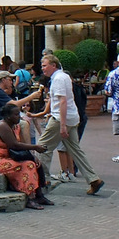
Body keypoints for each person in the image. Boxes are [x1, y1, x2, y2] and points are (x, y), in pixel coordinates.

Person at [37, 54, 105, 195]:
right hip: (71, 118)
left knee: (42, 147)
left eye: (44, 65)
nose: (42, 68)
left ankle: (43, 180)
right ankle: (93, 179)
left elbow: (63, 102)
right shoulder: (64, 77)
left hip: (61, 119)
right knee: (76, 150)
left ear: (53, 65)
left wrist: (62, 125)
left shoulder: (58, 79)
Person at [0, 104, 54, 209]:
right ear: (8, 116)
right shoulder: (2, 126)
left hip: (10, 157)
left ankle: (39, 195)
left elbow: (22, 143)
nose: (19, 116)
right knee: (28, 166)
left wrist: (32, 156)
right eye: (16, 114)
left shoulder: (16, 126)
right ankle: (30, 197)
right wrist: (35, 147)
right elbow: (14, 145)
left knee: (35, 163)